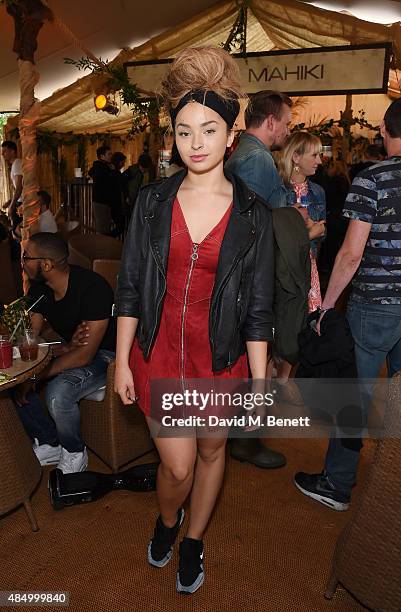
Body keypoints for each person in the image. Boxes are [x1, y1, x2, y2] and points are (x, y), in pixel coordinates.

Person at [114, 46, 274, 594]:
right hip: (158, 354)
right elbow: (130, 286)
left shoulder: (254, 214)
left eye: (209, 130)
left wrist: (256, 381)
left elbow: (257, 307)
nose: (196, 143)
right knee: (177, 467)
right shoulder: (152, 202)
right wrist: (121, 361)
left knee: (212, 451)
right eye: (184, 132)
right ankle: (166, 520)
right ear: (173, 137)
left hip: (220, 357)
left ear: (232, 135)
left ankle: (194, 539)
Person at [294, 98, 401, 511]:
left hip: (374, 303)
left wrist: (326, 307)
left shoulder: (372, 179)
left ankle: (336, 485)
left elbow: (351, 254)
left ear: (385, 131)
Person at [224, 90, 292, 469]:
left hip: (244, 277)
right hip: (253, 278)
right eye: (286, 121)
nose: (287, 128)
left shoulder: (242, 155)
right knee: (257, 361)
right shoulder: (259, 160)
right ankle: (247, 441)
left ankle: (243, 436)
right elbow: (252, 228)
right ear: (270, 121)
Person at [15, 232, 115, 474]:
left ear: (46, 265)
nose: (22, 261)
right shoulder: (40, 290)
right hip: (77, 349)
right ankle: (49, 441)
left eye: (26, 257)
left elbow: (85, 356)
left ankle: (74, 451)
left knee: (57, 392)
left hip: (108, 355)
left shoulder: (93, 288)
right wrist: (61, 349)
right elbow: (30, 339)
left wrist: (37, 375)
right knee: (14, 378)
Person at [274, 131, 326, 395]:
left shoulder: (317, 191)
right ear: (296, 157)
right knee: (281, 321)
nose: (320, 160)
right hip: (282, 269)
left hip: (308, 266)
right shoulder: (277, 190)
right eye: (314, 154)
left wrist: (311, 234)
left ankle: (283, 380)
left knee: (302, 323)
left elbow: (321, 232)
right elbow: (276, 238)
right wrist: (307, 233)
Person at [225, 89, 292, 209]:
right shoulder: (258, 158)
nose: (288, 132)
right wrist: (294, 217)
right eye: (287, 124)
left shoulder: (248, 153)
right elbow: (250, 221)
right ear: (271, 122)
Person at [88, 145, 115, 234]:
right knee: (102, 228)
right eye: (109, 154)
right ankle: (101, 246)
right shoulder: (102, 168)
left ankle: (103, 246)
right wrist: (112, 171)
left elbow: (90, 172)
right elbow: (106, 182)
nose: (111, 156)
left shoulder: (101, 166)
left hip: (102, 201)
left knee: (104, 226)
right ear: (102, 156)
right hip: (101, 201)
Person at [1, 140, 23, 233]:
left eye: (5, 151)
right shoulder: (15, 164)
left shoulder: (17, 163)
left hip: (22, 203)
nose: (2, 154)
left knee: (17, 232)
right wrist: (10, 201)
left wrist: (12, 205)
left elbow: (19, 187)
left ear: (13, 151)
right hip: (19, 201)